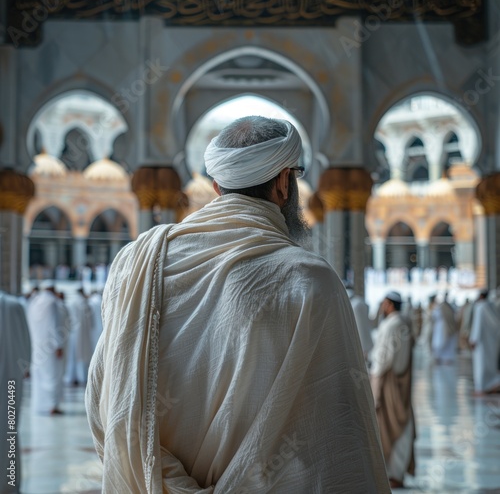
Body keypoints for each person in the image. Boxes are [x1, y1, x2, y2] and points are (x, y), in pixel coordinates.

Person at [86, 116, 390, 493]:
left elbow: (107, 403)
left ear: (216, 186)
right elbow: (335, 440)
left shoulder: (136, 263)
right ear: (283, 183)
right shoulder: (309, 280)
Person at [370, 291, 415, 489]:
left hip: (388, 382)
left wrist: (374, 383)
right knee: (400, 425)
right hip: (400, 382)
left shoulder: (392, 324)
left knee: (390, 427)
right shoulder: (402, 322)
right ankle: (395, 473)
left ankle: (393, 473)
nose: (381, 306)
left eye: (383, 303)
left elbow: (383, 358)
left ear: (389, 304)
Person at [1, 291, 31, 493]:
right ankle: (9, 483)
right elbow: (26, 347)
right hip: (11, 382)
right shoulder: (14, 305)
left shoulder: (12, 305)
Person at [26, 282, 65, 415]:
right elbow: (55, 325)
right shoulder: (53, 302)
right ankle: (52, 405)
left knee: (39, 375)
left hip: (37, 345)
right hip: (51, 347)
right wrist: (59, 346)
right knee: (53, 374)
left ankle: (40, 405)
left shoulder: (34, 301)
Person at [468, 290, 500, 396]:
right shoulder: (491, 307)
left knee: (481, 366)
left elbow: (478, 325)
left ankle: (481, 389)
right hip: (491, 341)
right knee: (489, 365)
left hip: (481, 342)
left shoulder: (481, 307)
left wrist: (473, 339)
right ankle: (490, 385)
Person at [65, 288, 93, 385]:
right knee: (83, 356)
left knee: (72, 355)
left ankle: (70, 377)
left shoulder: (70, 303)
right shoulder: (85, 304)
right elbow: (90, 322)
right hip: (83, 334)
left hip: (71, 333)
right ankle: (82, 377)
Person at [345, 283, 373, 360]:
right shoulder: (360, 302)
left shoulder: (351, 304)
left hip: (358, 345)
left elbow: (358, 328)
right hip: (367, 343)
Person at [430, 294, 458, 364]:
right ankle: (439, 358)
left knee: (442, 343)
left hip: (444, 328)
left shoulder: (442, 308)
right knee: (440, 343)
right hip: (442, 328)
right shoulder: (446, 307)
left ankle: (442, 358)